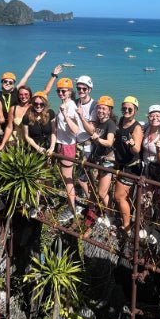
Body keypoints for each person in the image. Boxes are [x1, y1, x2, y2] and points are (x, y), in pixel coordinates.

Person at [79, 95, 118, 227]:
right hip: (97, 159)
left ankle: (110, 217)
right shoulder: (99, 123)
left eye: (104, 109)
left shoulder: (110, 124)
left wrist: (97, 139)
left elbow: (109, 142)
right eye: (99, 108)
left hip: (107, 161)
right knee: (91, 186)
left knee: (102, 192)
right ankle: (98, 210)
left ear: (109, 110)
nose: (100, 111)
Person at [113, 96, 144, 236]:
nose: (126, 111)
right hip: (121, 164)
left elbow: (136, 149)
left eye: (130, 109)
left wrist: (132, 144)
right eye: (124, 108)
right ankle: (127, 221)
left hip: (131, 167)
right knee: (126, 198)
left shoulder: (136, 128)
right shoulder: (121, 121)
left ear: (135, 111)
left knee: (119, 197)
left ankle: (126, 227)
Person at [141, 105, 160, 243]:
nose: (155, 118)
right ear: (148, 117)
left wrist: (159, 150)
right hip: (146, 169)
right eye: (152, 115)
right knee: (144, 199)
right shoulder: (146, 129)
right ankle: (146, 225)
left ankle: (158, 231)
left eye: (158, 115)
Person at [54, 77, 82, 223]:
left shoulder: (71, 106)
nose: (61, 93)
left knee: (68, 180)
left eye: (63, 91)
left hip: (68, 146)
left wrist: (65, 115)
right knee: (66, 178)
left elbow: (76, 130)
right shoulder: (65, 104)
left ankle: (72, 209)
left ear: (70, 91)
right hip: (61, 144)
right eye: (58, 91)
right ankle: (72, 205)